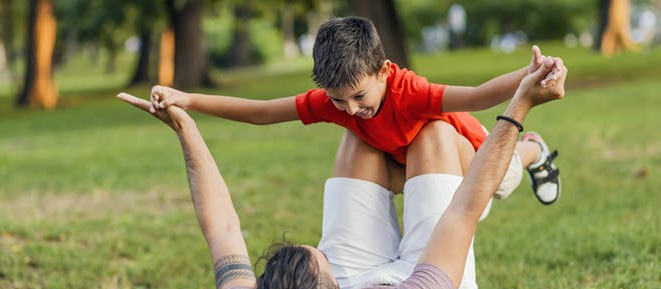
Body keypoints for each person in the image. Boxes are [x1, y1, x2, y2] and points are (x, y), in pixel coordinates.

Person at [117, 53, 567, 289]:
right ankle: (532, 151)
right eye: (319, 259)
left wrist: (186, 127)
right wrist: (521, 105)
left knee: (358, 138)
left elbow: (221, 230)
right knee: (434, 131)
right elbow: (462, 214)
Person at [149, 16, 561, 205]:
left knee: (502, 185)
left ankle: (532, 148)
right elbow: (262, 112)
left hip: (470, 154)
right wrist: (187, 99)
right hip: (406, 162)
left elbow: (475, 96)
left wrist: (529, 75)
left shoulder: (410, 91)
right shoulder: (338, 104)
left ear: (383, 71)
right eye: (337, 99)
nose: (350, 109)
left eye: (360, 96)